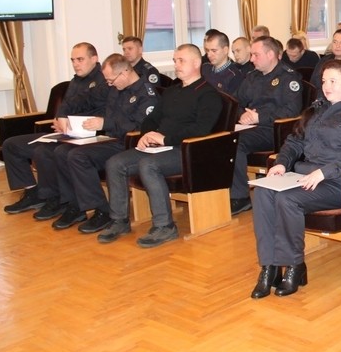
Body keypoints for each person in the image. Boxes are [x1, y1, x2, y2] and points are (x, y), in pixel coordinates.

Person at [250, 60, 341, 298]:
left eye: (333, 81)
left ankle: (294, 265)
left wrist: (325, 172)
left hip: (338, 181)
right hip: (305, 176)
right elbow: (294, 141)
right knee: (262, 193)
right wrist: (281, 163)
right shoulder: (317, 109)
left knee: (288, 200)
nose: (326, 86)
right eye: (323, 81)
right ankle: (269, 267)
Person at [101, 44, 222, 247]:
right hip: (160, 147)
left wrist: (165, 139)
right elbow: (151, 119)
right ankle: (119, 220)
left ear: (196, 63)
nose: (176, 65)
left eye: (181, 60)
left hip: (188, 150)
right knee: (115, 163)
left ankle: (165, 226)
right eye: (175, 61)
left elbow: (201, 130)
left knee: (149, 165)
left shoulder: (208, 94)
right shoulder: (171, 91)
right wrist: (146, 134)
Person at [2, 42, 109, 220]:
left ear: (94, 59)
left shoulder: (104, 80)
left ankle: (57, 199)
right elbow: (66, 105)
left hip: (87, 135)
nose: (75, 64)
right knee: (11, 145)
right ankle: (34, 193)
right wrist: (60, 119)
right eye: (73, 60)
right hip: (65, 133)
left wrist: (67, 120)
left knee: (43, 151)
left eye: (80, 59)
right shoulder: (75, 81)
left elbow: (96, 111)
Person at [51, 53, 157, 232]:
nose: (109, 84)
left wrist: (105, 123)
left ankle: (102, 211)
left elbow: (141, 127)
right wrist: (62, 113)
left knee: (78, 156)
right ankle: (75, 206)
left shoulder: (146, 94)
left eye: (111, 80)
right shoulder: (113, 87)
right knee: (61, 152)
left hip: (129, 144)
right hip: (109, 139)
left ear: (124, 73)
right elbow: (85, 98)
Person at [229, 37, 304, 215]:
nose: (252, 59)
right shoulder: (252, 77)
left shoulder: (289, 78)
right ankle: (228, 190)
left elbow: (292, 112)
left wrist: (259, 117)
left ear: (270, 54)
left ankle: (240, 197)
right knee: (223, 139)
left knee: (234, 143)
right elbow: (233, 102)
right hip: (251, 128)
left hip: (275, 131)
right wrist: (242, 114)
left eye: (256, 55)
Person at [202, 30, 245, 95]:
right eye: (207, 50)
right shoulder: (205, 68)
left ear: (225, 50)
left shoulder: (234, 76)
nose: (209, 55)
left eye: (214, 51)